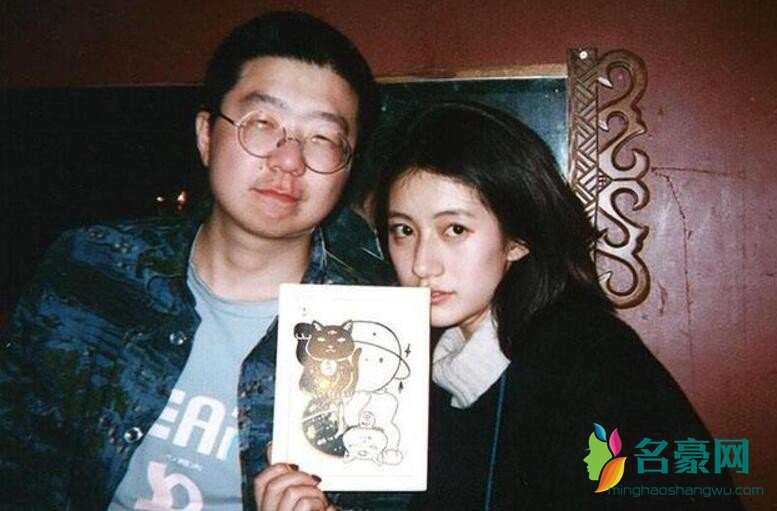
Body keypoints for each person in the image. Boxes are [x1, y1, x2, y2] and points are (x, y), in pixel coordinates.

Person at [0, 11, 398, 511]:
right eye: (261, 123)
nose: (288, 160)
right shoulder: (91, 269)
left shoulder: (373, 333)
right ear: (207, 135)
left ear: (348, 168)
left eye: (322, 138)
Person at [372, 101, 744, 509]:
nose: (422, 264)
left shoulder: (591, 361)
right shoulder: (422, 364)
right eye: (403, 230)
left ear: (518, 239)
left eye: (455, 229)